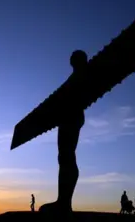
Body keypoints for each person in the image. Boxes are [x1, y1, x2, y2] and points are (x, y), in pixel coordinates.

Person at [39, 50, 88, 215]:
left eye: (74, 57)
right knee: (64, 156)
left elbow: (76, 97)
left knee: (67, 155)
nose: (71, 60)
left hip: (72, 117)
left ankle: (64, 203)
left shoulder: (82, 75)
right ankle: (63, 200)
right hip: (67, 117)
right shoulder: (74, 77)